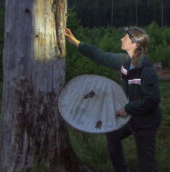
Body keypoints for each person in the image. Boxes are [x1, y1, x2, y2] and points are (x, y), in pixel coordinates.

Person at [65, 27, 162, 172]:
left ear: (135, 44)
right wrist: (76, 42)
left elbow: (152, 101)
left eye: (126, 38)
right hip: (132, 117)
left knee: (147, 163)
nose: (121, 39)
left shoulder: (146, 70)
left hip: (146, 122)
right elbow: (101, 56)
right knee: (112, 134)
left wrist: (127, 109)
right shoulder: (124, 61)